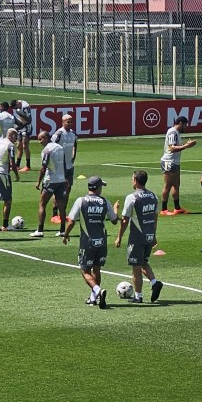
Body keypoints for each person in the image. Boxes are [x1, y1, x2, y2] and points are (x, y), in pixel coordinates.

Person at [63, 174, 121, 308]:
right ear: (98, 187)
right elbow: (113, 220)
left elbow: (71, 221)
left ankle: (97, 290)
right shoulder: (104, 201)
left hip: (87, 242)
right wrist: (116, 209)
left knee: (85, 270)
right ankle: (93, 298)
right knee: (97, 269)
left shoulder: (81, 201)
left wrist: (66, 235)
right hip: (102, 241)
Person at [114, 168, 165, 303]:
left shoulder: (132, 198)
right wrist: (153, 235)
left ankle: (138, 296)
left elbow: (125, 220)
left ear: (135, 181)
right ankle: (154, 282)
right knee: (144, 263)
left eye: (132, 179)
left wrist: (119, 237)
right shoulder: (153, 196)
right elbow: (155, 217)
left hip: (137, 237)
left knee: (136, 267)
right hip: (149, 236)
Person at [32, 129, 71, 238]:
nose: (39, 142)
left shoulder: (46, 150)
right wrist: (66, 179)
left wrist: (38, 182)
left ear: (46, 138)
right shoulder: (60, 148)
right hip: (61, 180)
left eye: (40, 139)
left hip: (50, 181)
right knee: (62, 207)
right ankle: (62, 230)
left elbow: (43, 168)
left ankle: (40, 230)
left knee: (42, 204)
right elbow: (64, 164)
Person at [161, 115, 196, 215]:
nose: (185, 127)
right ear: (180, 123)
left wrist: (185, 145)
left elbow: (176, 146)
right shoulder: (173, 132)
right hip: (169, 161)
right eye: (185, 125)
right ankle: (164, 209)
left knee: (176, 185)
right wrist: (186, 146)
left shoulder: (176, 133)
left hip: (174, 161)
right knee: (168, 185)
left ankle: (177, 208)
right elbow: (172, 148)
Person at [0, 127, 20, 229]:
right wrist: (16, 174)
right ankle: (5, 225)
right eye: (15, 136)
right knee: (8, 200)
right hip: (2, 174)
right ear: (11, 135)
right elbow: (12, 163)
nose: (16, 139)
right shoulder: (10, 145)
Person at [52, 113, 79, 224]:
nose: (70, 123)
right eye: (68, 121)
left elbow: (75, 145)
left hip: (69, 167)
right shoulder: (58, 134)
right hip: (59, 167)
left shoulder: (73, 134)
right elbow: (51, 147)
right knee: (58, 191)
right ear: (63, 122)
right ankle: (54, 214)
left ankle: (63, 212)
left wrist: (73, 157)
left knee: (67, 190)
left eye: (71, 121)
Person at [11, 98, 33, 170]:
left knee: (25, 146)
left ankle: (28, 166)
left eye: (16, 107)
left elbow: (29, 120)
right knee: (19, 146)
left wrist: (18, 127)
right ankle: (17, 165)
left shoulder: (25, 107)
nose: (16, 109)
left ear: (17, 103)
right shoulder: (18, 108)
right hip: (22, 127)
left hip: (27, 128)